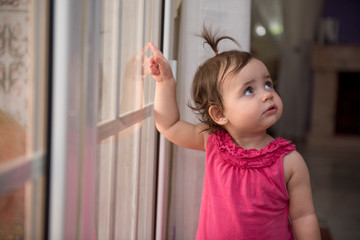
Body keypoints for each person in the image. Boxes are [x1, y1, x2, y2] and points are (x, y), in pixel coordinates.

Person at [148, 27, 321, 240]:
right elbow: (170, 125)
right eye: (249, 90)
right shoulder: (213, 143)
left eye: (268, 84)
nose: (267, 94)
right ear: (219, 114)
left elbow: (304, 216)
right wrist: (165, 82)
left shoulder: (290, 162)